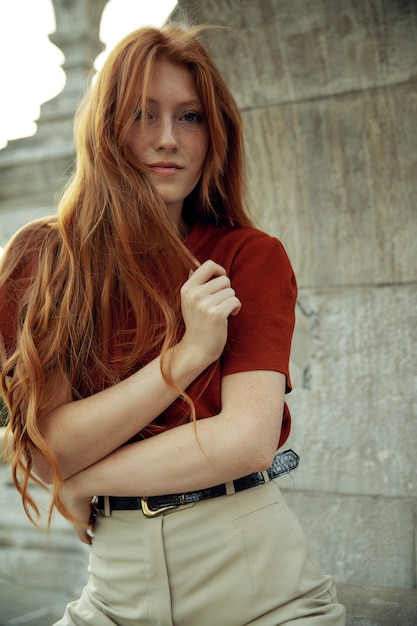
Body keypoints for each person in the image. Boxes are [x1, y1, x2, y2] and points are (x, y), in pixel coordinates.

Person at [0, 25, 345, 626]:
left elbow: (246, 440)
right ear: (108, 128)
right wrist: (187, 356)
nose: (168, 140)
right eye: (142, 114)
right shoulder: (43, 261)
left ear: (216, 137)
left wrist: (82, 483)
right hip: (113, 593)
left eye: (190, 118)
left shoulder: (247, 257)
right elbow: (46, 445)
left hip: (259, 585)